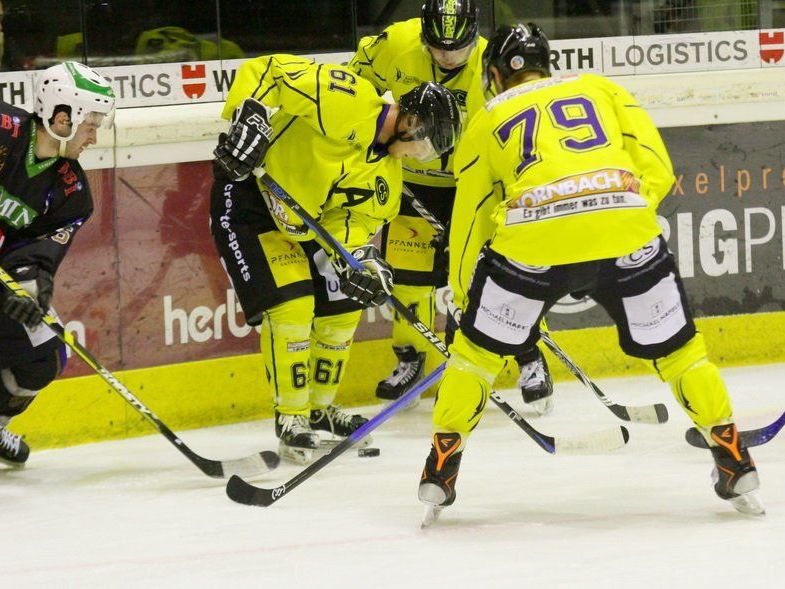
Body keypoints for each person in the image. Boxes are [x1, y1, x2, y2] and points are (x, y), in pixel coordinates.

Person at [418, 23, 764, 523]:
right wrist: (618, 216)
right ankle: (734, 459)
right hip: (624, 229)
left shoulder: (486, 118)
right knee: (682, 355)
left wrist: (460, 286)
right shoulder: (603, 88)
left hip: (532, 241)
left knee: (473, 359)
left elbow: (471, 216)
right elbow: (659, 170)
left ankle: (440, 472)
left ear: (494, 74)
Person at [209, 54, 461, 464]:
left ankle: (318, 409)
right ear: (411, 122)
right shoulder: (345, 96)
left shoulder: (387, 180)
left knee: (344, 306)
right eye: (427, 145)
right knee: (293, 306)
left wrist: (360, 260)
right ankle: (291, 419)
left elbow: (348, 224)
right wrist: (249, 118)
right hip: (248, 199)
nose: (422, 157)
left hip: (301, 226)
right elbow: (267, 71)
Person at [349, 0, 554, 414]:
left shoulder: (491, 65)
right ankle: (411, 357)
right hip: (415, 182)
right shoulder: (395, 44)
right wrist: (369, 131)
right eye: (438, 48)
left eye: (456, 49)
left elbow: (520, 122)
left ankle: (530, 356)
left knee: (498, 274)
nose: (446, 57)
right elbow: (354, 82)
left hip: (472, 186)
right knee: (406, 278)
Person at [0, 61, 115, 467]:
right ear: (62, 118)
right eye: (90, 125)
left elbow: (35, 252)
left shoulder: (73, 191)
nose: (94, 138)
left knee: (46, 351)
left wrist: (30, 285)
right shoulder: (3, 129)